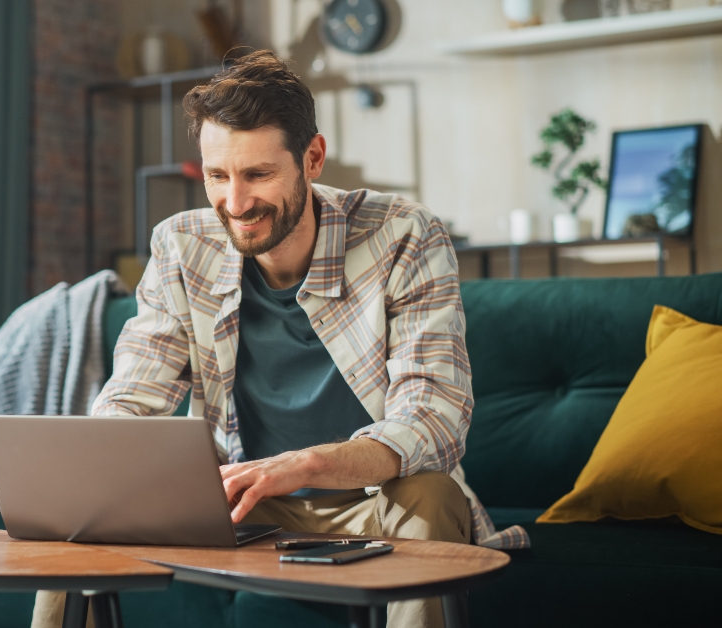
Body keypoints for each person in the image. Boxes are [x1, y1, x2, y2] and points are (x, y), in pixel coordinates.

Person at [32, 50, 525, 628]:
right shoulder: (180, 245)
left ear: (312, 158)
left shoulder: (404, 236)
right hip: (240, 506)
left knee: (431, 494)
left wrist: (300, 466)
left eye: (258, 174)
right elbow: (131, 397)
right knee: (84, 504)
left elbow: (433, 420)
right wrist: (99, 463)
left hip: (369, 506)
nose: (235, 204)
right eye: (218, 177)